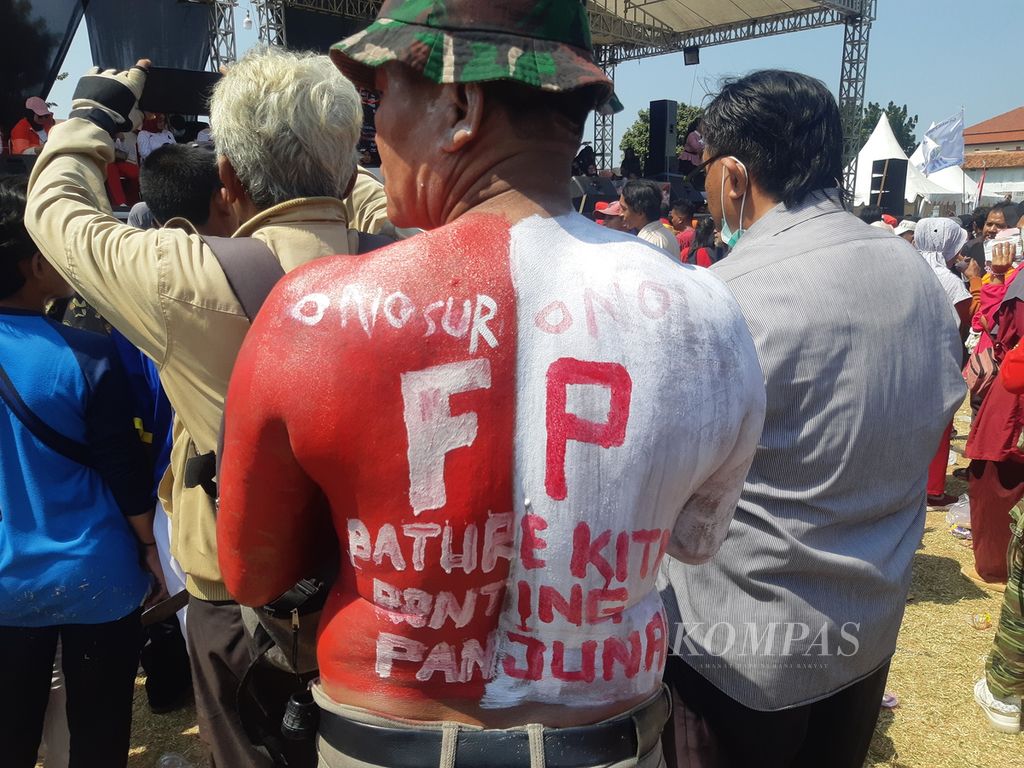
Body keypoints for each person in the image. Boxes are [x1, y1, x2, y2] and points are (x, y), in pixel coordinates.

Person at [217, 3, 767, 767]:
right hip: (607, 739)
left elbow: (253, 573)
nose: (376, 132)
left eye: (384, 98)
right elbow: (693, 542)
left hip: (381, 740)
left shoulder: (313, 313)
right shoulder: (707, 318)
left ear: (460, 103)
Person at [25, 47, 394, 768]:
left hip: (238, 602)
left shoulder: (182, 275)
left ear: (227, 179)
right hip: (382, 590)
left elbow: (57, 211)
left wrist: (94, 114)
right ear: (349, 173)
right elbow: (376, 198)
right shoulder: (408, 256)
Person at [657, 70, 964, 768]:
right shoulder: (914, 271)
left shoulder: (723, 296)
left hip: (739, 653)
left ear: (733, 176)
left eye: (706, 172)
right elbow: (940, 408)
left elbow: (669, 481)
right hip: (867, 631)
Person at [0, 174, 167, 768]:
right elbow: (123, 469)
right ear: (28, 265)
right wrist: (151, 548)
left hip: (5, 584)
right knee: (99, 737)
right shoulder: (86, 355)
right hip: (95, 574)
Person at [912, 218, 971, 508]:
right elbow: (964, 325)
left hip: (904, 358)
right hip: (938, 363)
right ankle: (933, 488)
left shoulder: (907, 268)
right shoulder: (951, 282)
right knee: (939, 424)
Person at [620, 179, 681, 258]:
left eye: (624, 209)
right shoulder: (663, 234)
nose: (620, 213)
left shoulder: (650, 243)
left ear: (640, 212)